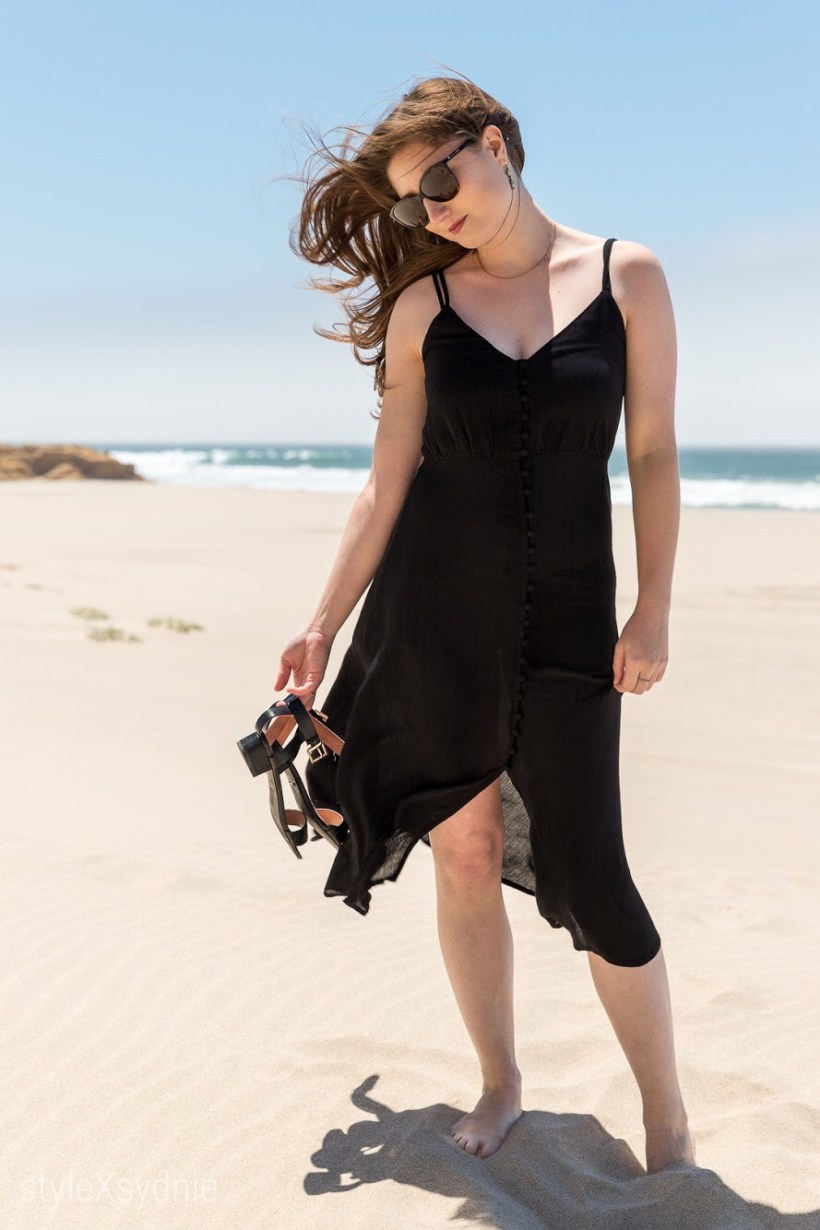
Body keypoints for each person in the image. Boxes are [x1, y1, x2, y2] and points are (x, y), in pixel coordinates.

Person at [274, 74, 695, 1173]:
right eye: (415, 205)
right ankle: (500, 1080)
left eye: (444, 182)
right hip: (434, 616)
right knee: (462, 853)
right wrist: (321, 625)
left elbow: (651, 450)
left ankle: (666, 1119)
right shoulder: (427, 309)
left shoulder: (625, 276)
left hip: (572, 621)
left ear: (497, 143)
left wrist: (652, 606)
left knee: (594, 871)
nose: (434, 213)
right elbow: (384, 485)